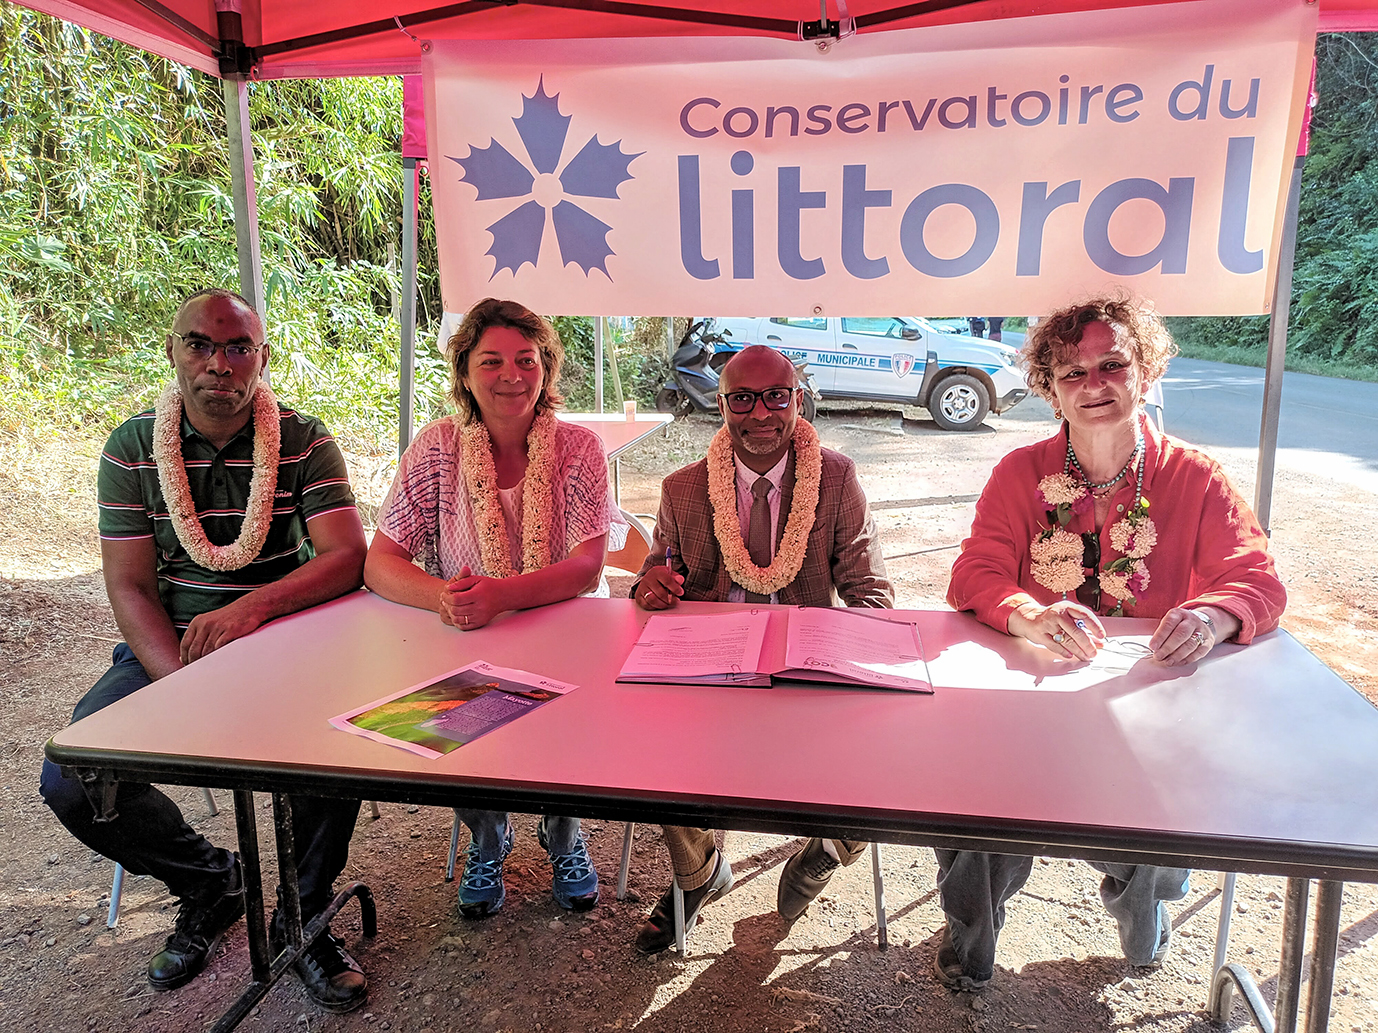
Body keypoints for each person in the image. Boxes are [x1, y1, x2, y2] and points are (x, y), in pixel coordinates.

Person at [940, 293, 1286, 991]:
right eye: (1072, 372)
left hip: (1147, 715)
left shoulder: (1195, 476)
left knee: (1172, 813)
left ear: (1146, 372)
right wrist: (1025, 612)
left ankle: (1141, 906)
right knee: (969, 798)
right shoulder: (1018, 473)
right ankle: (970, 940)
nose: (1093, 384)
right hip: (1029, 709)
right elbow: (975, 573)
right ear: (1050, 389)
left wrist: (1213, 617)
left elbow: (1256, 580)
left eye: (1112, 365)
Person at [40, 289, 370, 1012]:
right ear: (173, 352)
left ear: (262, 358)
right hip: (175, 650)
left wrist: (252, 608)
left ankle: (303, 916)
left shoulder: (304, 439)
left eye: (237, 347)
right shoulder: (133, 447)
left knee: (339, 745)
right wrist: (180, 686)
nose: (219, 364)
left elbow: (347, 556)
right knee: (71, 777)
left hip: (289, 643)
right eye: (200, 344)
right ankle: (211, 883)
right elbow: (130, 587)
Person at [630, 344, 893, 953]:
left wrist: (843, 653)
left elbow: (870, 592)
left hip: (805, 665)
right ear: (721, 405)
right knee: (657, 745)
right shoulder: (682, 488)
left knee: (885, 748)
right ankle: (699, 873)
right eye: (742, 399)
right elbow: (655, 574)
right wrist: (651, 586)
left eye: (776, 396)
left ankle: (828, 846)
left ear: (797, 400)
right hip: (712, 668)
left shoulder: (836, 478)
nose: (760, 414)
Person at [365, 298, 621, 919]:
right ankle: (488, 834)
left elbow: (587, 567)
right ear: (464, 372)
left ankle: (563, 831)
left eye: (526, 360)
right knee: (438, 718)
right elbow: (380, 563)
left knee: (577, 722)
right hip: (466, 634)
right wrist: (444, 599)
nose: (512, 375)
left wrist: (502, 596)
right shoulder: (436, 448)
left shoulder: (580, 447)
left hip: (566, 627)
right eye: (491, 361)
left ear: (546, 368)